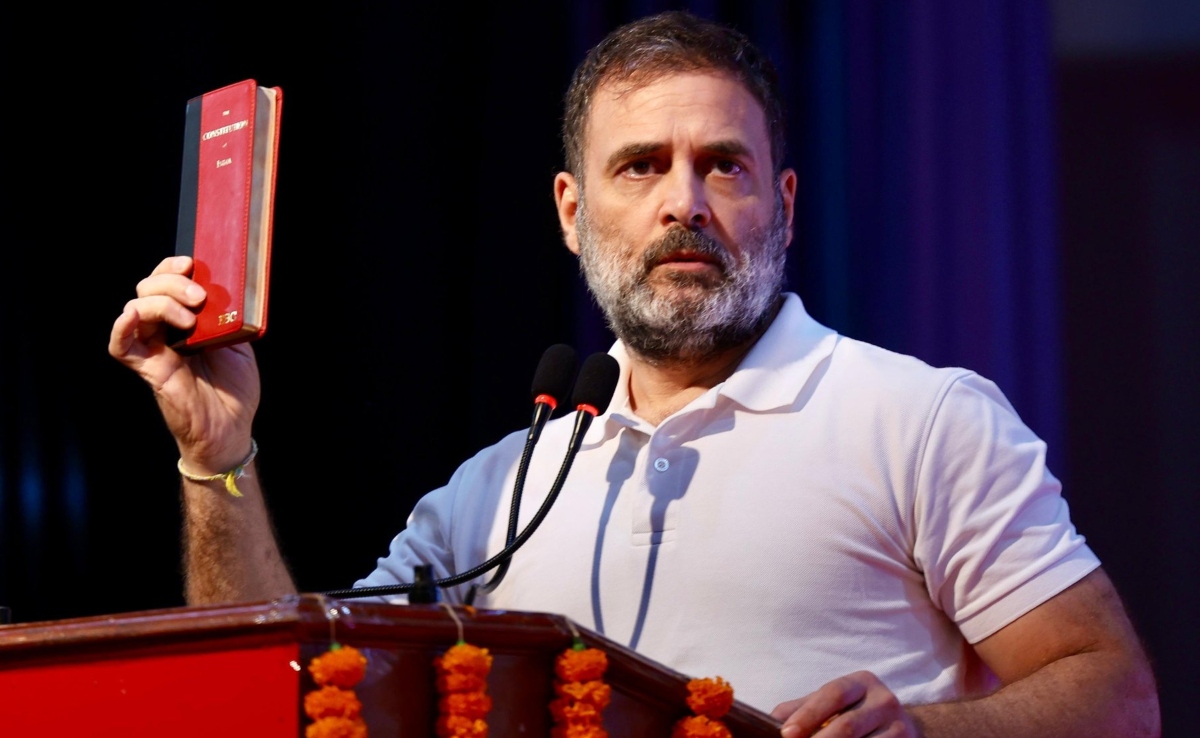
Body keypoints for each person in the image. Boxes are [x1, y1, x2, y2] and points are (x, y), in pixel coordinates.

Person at [110, 11, 1159, 738]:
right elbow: (292, 691)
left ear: (785, 203)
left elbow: (1116, 697)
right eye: (642, 165)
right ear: (572, 213)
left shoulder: (922, 420)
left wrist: (925, 731)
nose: (684, 202)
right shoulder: (496, 497)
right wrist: (218, 458)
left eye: (724, 165)